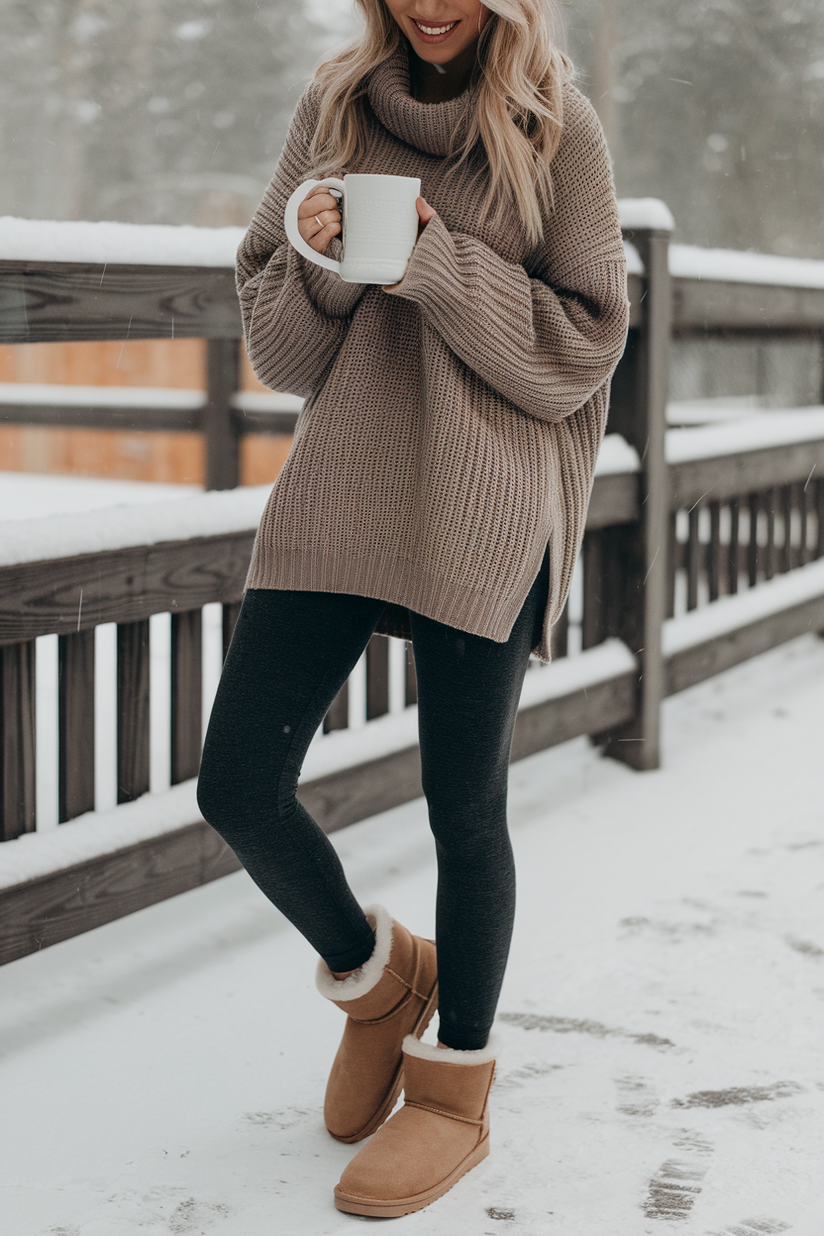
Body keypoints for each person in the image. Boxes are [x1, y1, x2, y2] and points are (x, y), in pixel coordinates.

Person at [197, 0, 629, 1218]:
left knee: (462, 807)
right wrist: (325, 265)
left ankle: (454, 1085)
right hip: (345, 487)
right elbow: (278, 350)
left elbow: (583, 343)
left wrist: (434, 259)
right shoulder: (333, 107)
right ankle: (377, 978)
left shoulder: (557, 129)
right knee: (235, 784)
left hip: (488, 503)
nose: (430, 5)